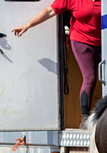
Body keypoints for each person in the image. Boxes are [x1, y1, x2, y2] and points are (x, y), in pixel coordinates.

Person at [13, 0, 101, 129]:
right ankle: (85, 118)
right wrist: (28, 25)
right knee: (90, 77)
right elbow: (49, 11)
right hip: (82, 40)